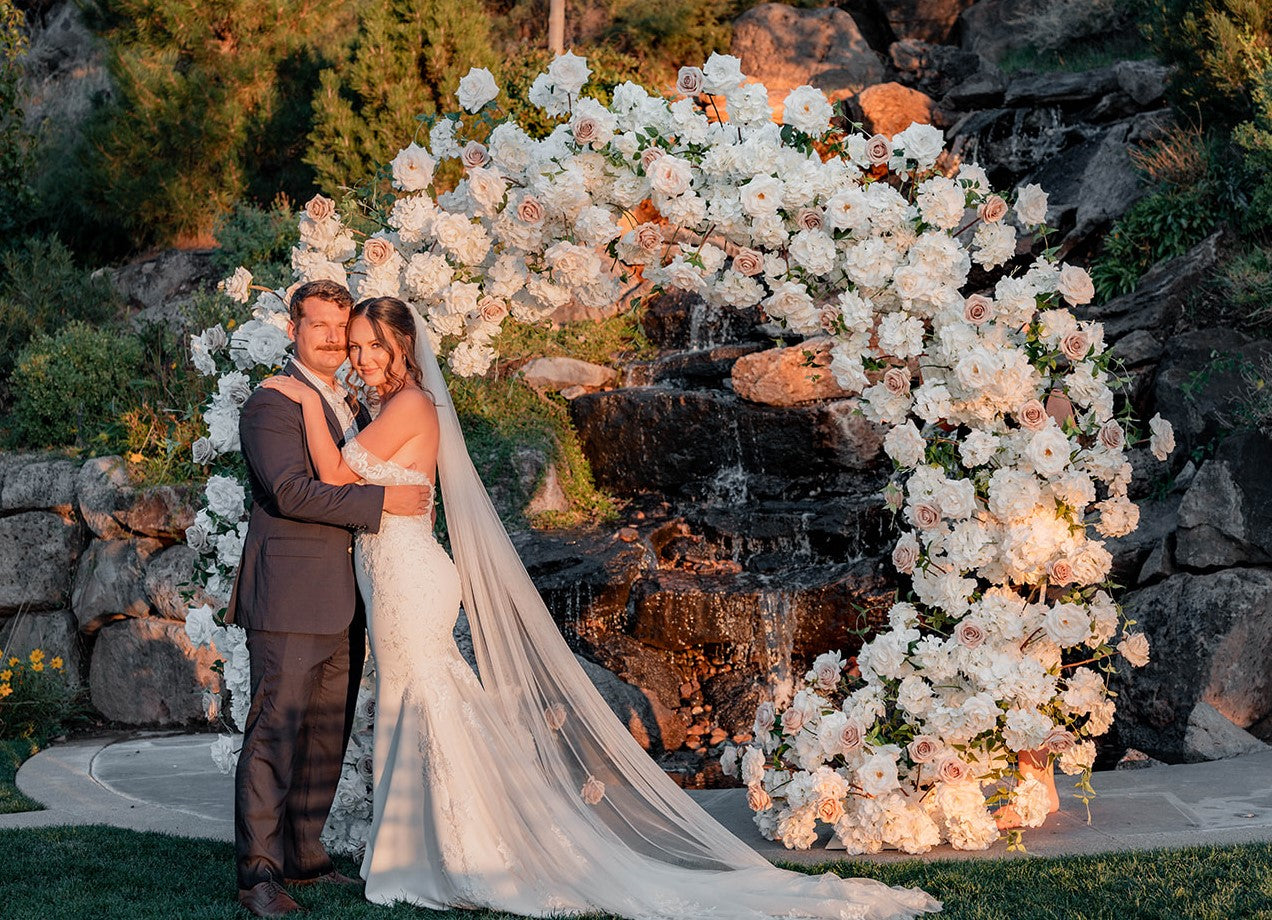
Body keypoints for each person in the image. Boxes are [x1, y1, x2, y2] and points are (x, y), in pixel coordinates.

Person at [261, 295, 940, 920]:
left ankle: (463, 855)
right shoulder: (387, 406)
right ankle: (425, 847)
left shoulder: (408, 404)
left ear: (403, 347)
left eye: (372, 345)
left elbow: (336, 477)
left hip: (409, 576)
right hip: (390, 575)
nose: (360, 357)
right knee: (417, 700)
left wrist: (303, 399)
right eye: (354, 346)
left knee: (427, 698)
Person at [227, 280, 432, 918]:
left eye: (339, 328)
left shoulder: (349, 402)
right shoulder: (273, 402)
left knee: (325, 734)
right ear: (293, 328)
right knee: (275, 732)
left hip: (349, 597)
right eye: (317, 325)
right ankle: (258, 874)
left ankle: (306, 858)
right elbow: (291, 491)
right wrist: (382, 502)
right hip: (289, 596)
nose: (331, 338)